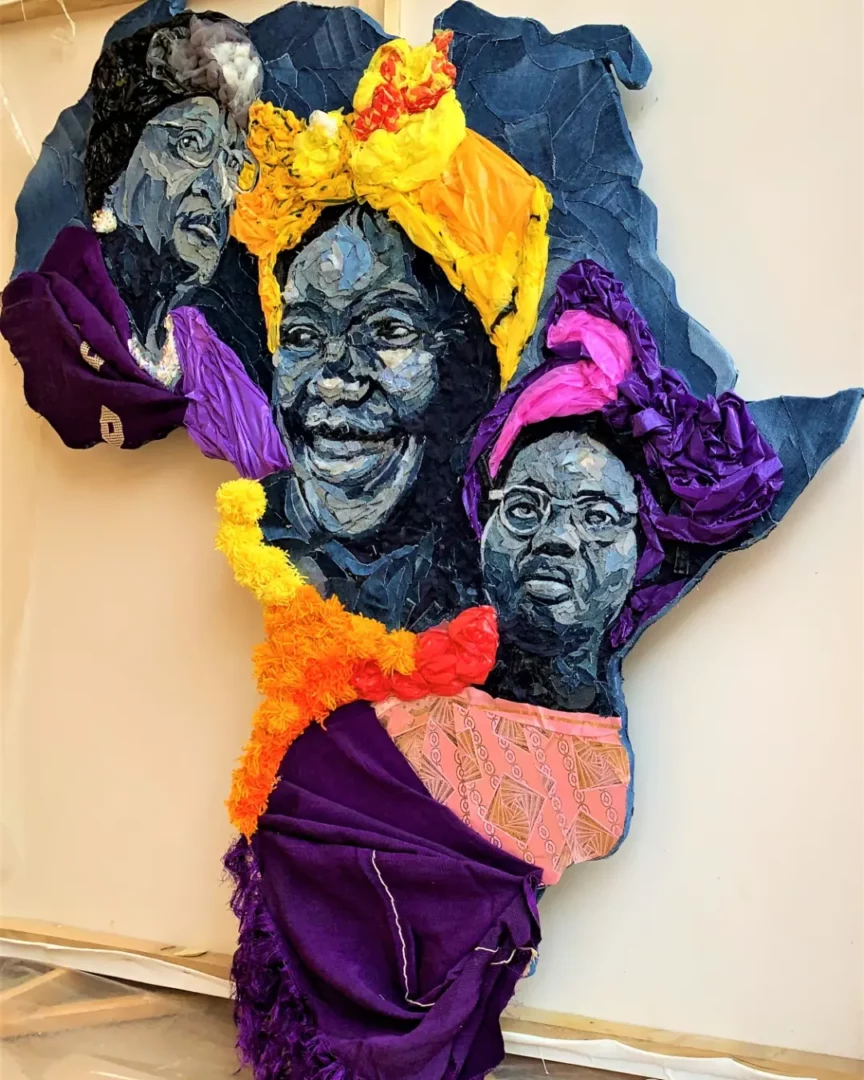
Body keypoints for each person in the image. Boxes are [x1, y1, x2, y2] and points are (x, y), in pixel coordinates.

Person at [231, 35, 551, 629]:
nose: (333, 379)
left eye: (387, 329)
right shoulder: (262, 541)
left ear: (472, 369)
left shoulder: (523, 588)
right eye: (300, 336)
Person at [0, 11, 286, 479]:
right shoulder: (45, 315)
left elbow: (273, 466)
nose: (217, 189)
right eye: (192, 143)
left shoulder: (201, 351)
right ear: (115, 170)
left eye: (232, 165)